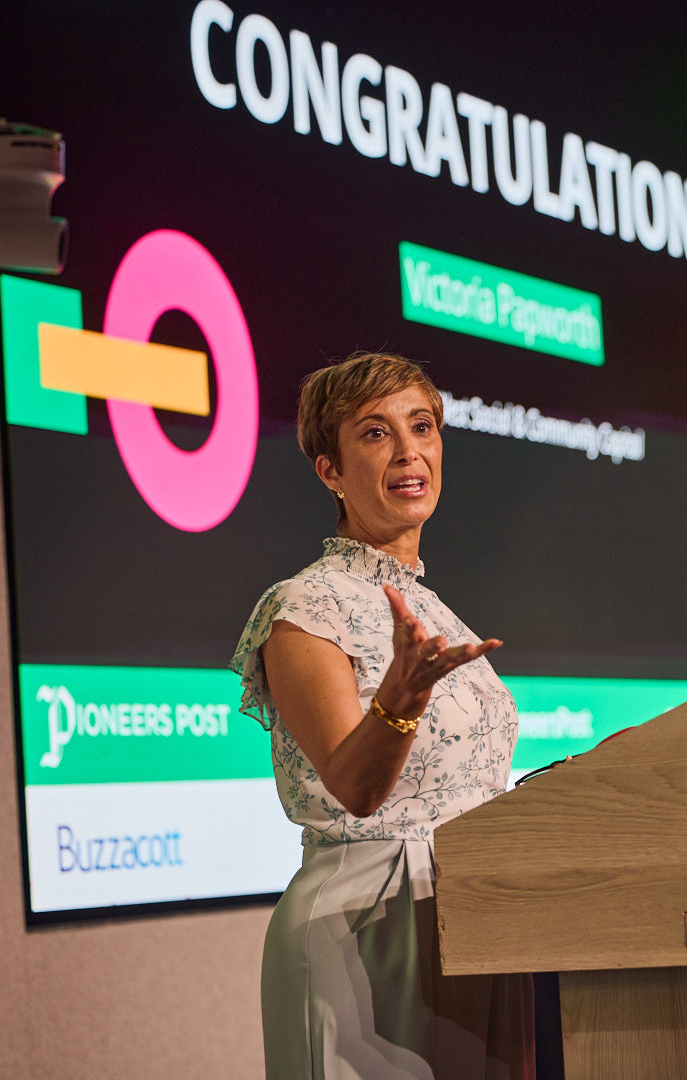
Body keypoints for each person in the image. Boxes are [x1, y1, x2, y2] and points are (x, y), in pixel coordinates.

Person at [229, 352, 533, 1079]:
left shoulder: (432, 608)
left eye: (421, 426)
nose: (407, 451)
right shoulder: (303, 607)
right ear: (329, 470)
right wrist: (400, 699)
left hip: (469, 914)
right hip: (364, 928)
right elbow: (354, 789)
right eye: (374, 432)